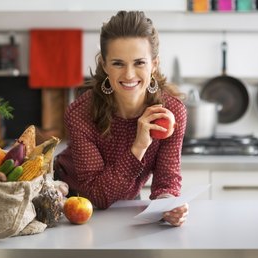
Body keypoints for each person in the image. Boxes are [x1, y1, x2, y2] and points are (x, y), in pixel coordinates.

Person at [54, 10, 188, 226]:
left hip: (125, 197)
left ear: (154, 64)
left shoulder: (171, 112)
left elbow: (166, 181)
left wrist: (168, 206)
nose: (128, 74)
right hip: (70, 200)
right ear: (105, 65)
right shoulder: (80, 113)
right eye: (118, 63)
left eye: (139, 63)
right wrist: (139, 145)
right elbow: (97, 196)